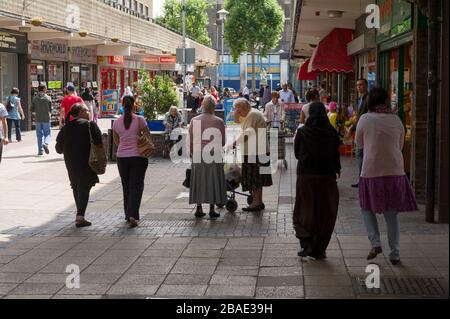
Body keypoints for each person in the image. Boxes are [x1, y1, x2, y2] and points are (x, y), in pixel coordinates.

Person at [356, 87, 418, 265]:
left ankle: (375, 243)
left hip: (371, 171)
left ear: (369, 101)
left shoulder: (365, 118)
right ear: (384, 101)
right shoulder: (396, 119)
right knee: (391, 214)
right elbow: (400, 145)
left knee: (367, 207)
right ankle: (395, 253)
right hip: (395, 171)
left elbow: (359, 144)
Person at [293, 102, 341, 260]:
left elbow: (297, 154)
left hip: (306, 175)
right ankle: (319, 248)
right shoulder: (332, 133)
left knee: (305, 208)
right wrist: (337, 168)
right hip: (326, 177)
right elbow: (335, 155)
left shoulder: (303, 132)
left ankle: (306, 241)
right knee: (325, 211)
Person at [56, 103, 104, 228]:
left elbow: (58, 149)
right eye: (87, 110)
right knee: (84, 186)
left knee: (76, 186)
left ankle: (80, 214)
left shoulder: (66, 128)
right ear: (82, 112)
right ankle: (80, 216)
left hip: (71, 163)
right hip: (87, 161)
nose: (89, 112)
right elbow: (99, 142)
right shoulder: (90, 125)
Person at [113, 96, 150, 228]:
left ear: (122, 105)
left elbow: (117, 142)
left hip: (122, 157)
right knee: (137, 186)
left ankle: (128, 214)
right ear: (134, 105)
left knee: (126, 186)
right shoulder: (140, 120)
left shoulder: (116, 122)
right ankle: (133, 214)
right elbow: (147, 136)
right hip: (138, 156)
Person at [188, 95, 227, 218]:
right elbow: (223, 142)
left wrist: (192, 152)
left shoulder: (194, 120)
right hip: (213, 154)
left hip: (198, 153)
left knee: (198, 179)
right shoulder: (219, 121)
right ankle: (211, 208)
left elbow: (190, 140)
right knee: (213, 180)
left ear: (202, 106)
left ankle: (199, 208)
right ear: (213, 106)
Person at [232, 98, 272, 211]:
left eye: (239, 110)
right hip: (255, 151)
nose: (238, 113)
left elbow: (247, 133)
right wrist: (236, 115)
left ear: (244, 107)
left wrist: (234, 143)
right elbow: (238, 121)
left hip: (256, 152)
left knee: (256, 178)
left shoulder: (252, 115)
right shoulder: (249, 114)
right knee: (256, 178)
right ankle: (257, 201)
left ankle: (257, 203)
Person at [348, 78, 369, 188]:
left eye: (361, 85)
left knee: (361, 154)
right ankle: (361, 180)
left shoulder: (368, 98)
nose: (359, 87)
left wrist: (352, 128)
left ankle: (363, 180)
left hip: (365, 130)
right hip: (360, 130)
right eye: (357, 85)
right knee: (360, 154)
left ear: (366, 85)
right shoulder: (360, 98)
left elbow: (362, 116)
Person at [31, 85, 52, 155]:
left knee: (39, 135)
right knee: (47, 133)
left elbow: (31, 109)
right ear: (43, 89)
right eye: (46, 88)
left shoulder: (34, 99)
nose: (46, 89)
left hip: (38, 119)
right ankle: (46, 143)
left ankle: (40, 151)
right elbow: (50, 109)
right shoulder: (48, 98)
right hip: (46, 118)